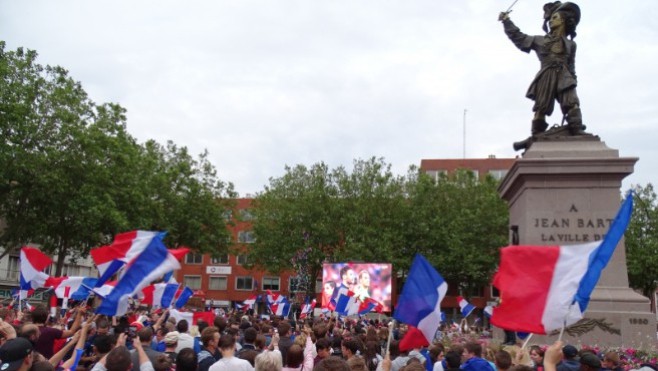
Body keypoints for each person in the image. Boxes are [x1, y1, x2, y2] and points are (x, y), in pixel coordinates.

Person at [499, 2, 585, 137]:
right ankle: (537, 133)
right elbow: (520, 38)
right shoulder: (540, 40)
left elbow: (571, 64)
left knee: (572, 103)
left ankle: (576, 128)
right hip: (546, 74)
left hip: (565, 75)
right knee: (541, 108)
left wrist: (573, 78)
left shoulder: (571, 44)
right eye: (550, 18)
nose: (551, 21)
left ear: (563, 20)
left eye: (554, 17)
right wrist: (507, 22)